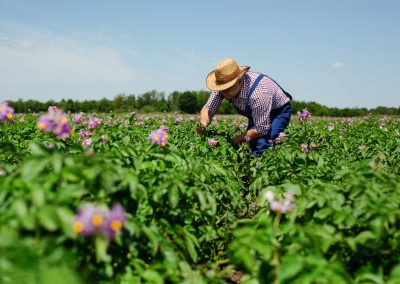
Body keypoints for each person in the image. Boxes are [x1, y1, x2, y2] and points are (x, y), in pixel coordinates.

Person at [196, 58, 293, 156]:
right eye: (222, 89)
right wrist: (203, 123)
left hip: (278, 111)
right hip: (258, 112)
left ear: (239, 81)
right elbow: (209, 107)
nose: (224, 92)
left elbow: (261, 129)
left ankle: (262, 166)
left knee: (262, 143)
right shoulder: (223, 86)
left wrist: (237, 139)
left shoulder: (258, 93)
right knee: (252, 142)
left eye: (228, 89)